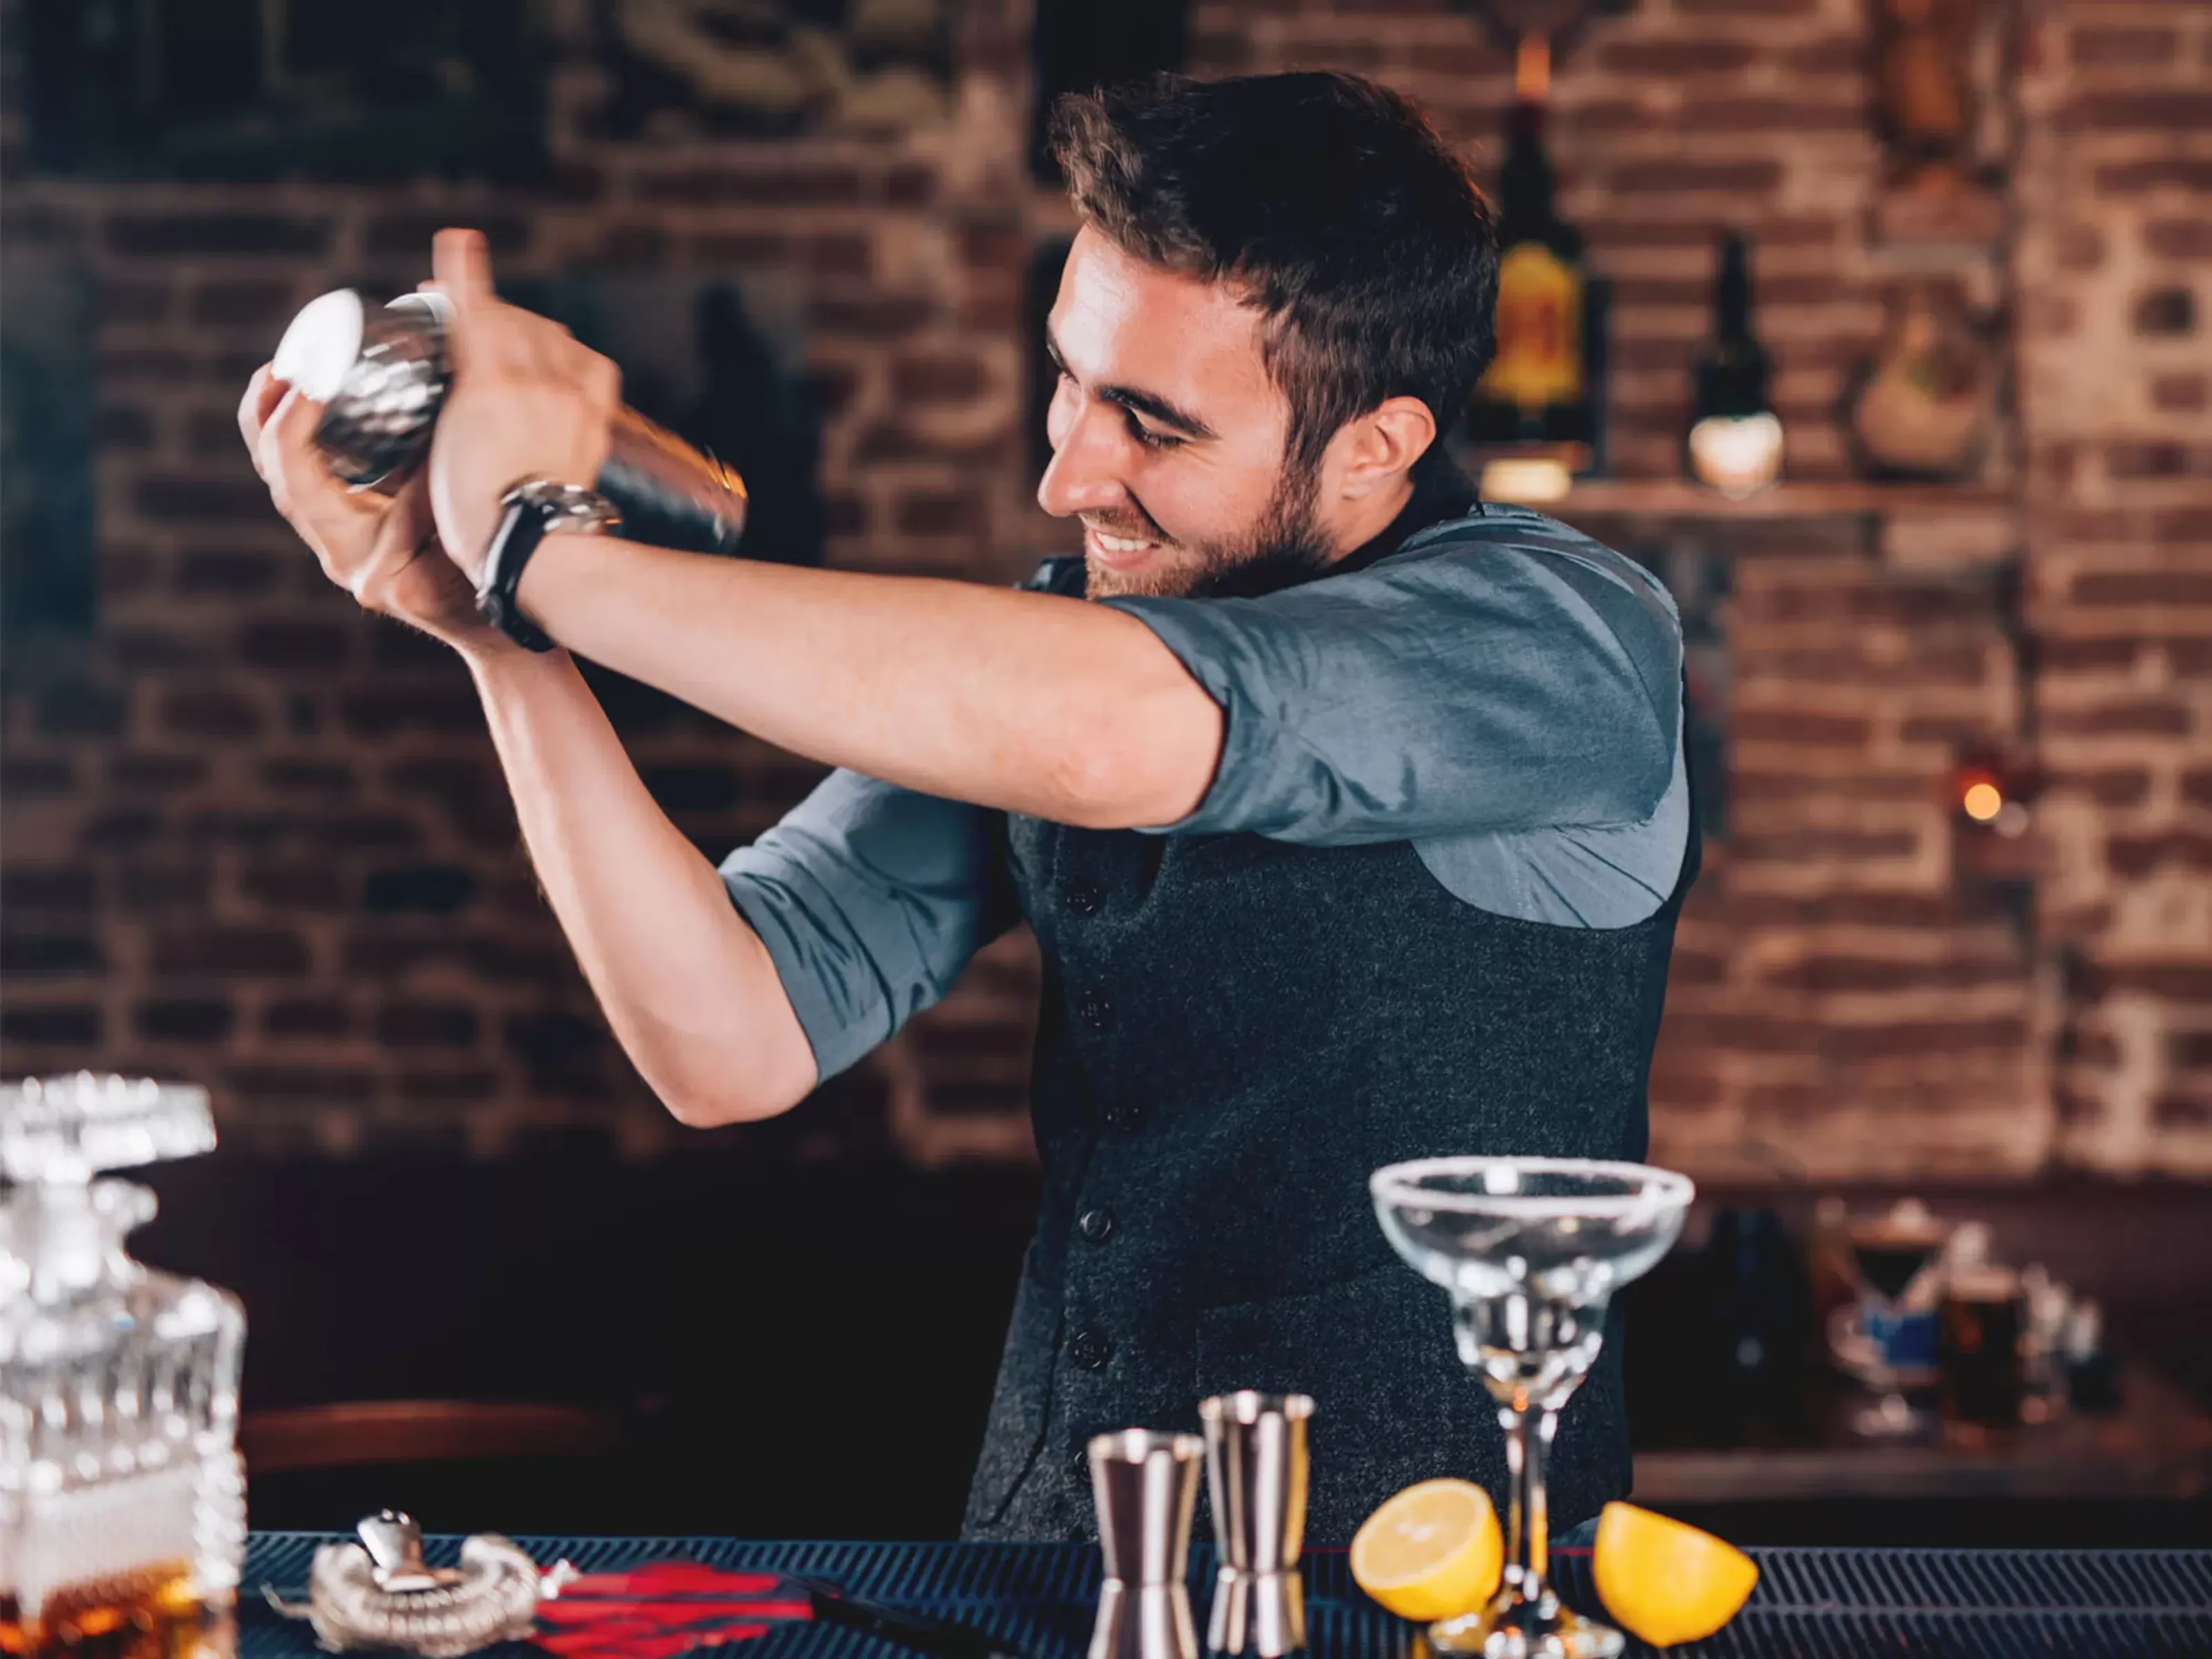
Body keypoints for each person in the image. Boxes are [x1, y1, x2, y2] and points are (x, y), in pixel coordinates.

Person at [240, 71, 1695, 1544]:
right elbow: (726, 1040)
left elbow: (1121, 732)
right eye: (1069, 378)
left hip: (1433, 1592)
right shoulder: (1041, 658)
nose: (1066, 473)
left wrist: (542, 550)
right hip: (1055, 1565)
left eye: (1152, 424)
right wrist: (502, 638)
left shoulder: (1558, 641)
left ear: (1375, 443)